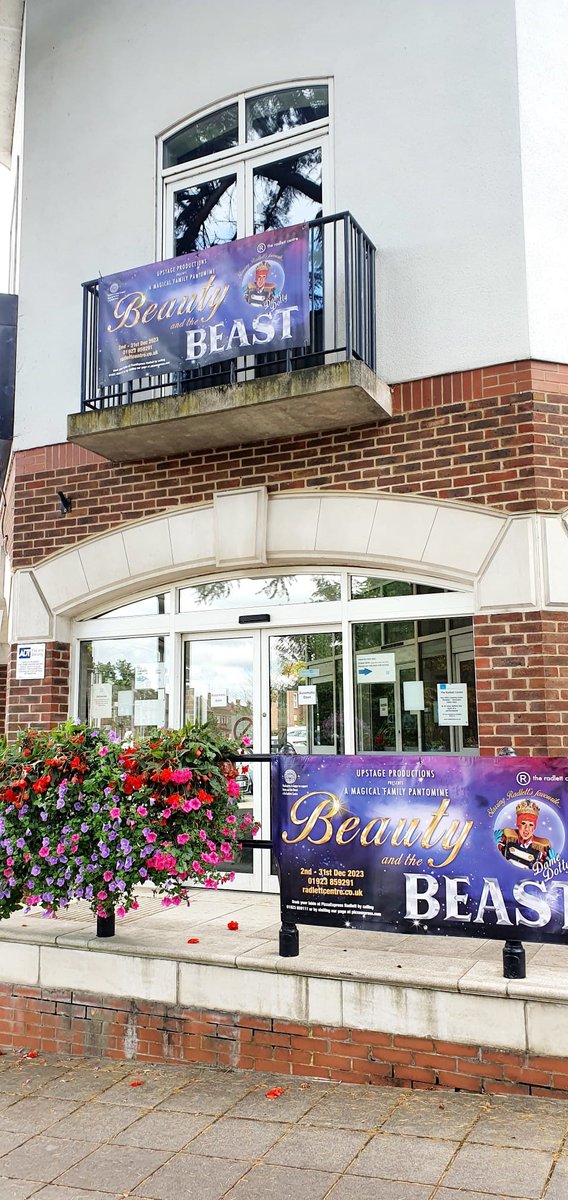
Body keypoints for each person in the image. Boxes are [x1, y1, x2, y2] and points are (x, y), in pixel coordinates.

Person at [497, 800, 551, 869]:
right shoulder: (506, 838)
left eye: (531, 825)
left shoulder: (541, 848)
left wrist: (552, 863)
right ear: (518, 824)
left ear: (534, 827)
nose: (526, 828)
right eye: (523, 823)